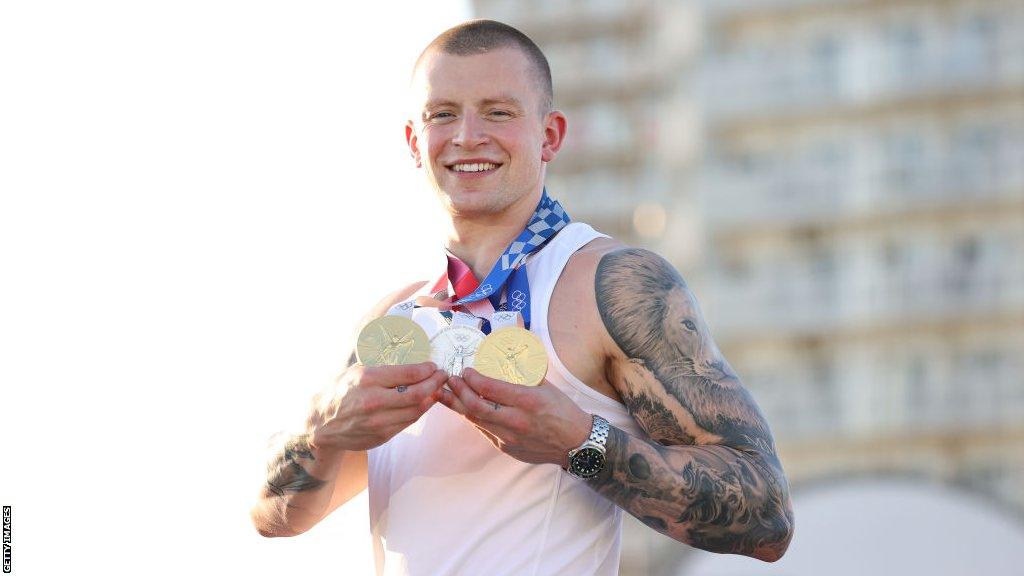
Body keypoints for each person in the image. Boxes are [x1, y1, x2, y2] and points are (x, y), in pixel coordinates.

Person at [250, 19, 794, 575]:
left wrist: (579, 442)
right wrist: (320, 432)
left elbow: (768, 518)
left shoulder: (613, 283)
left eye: (498, 111)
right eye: (442, 114)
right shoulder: (395, 316)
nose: (466, 136)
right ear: (415, 141)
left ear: (550, 135)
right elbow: (277, 517)